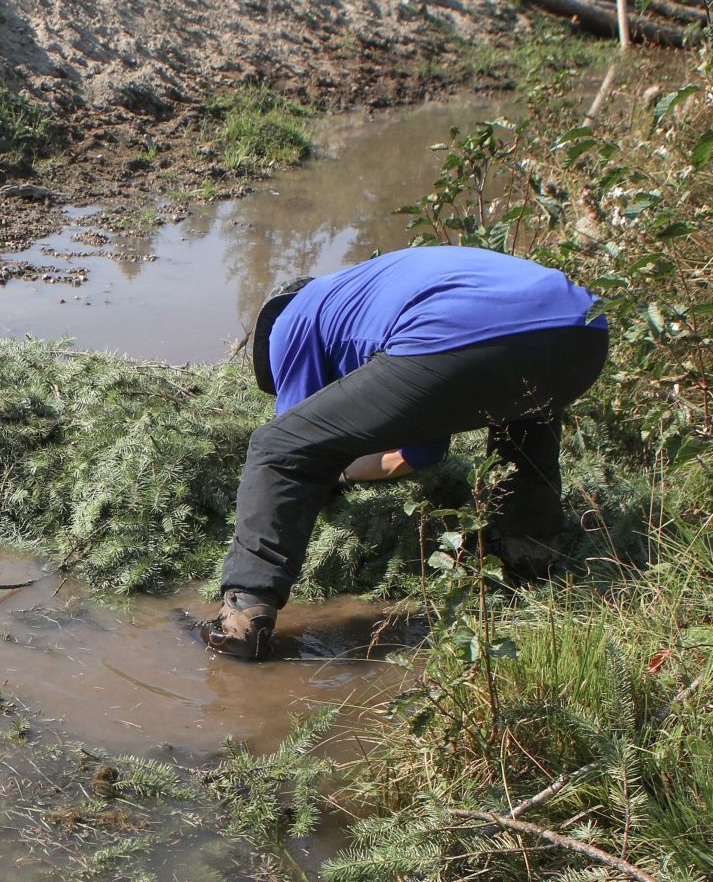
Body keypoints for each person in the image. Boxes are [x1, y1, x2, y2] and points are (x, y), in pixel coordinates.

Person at [202, 245, 609, 661]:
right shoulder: (369, 293)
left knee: (274, 444)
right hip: (583, 331)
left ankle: (242, 621)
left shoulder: (293, 315)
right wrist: (345, 475)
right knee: (524, 422)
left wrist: (317, 478)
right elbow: (420, 451)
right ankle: (531, 568)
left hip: (459, 332)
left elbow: (295, 449)